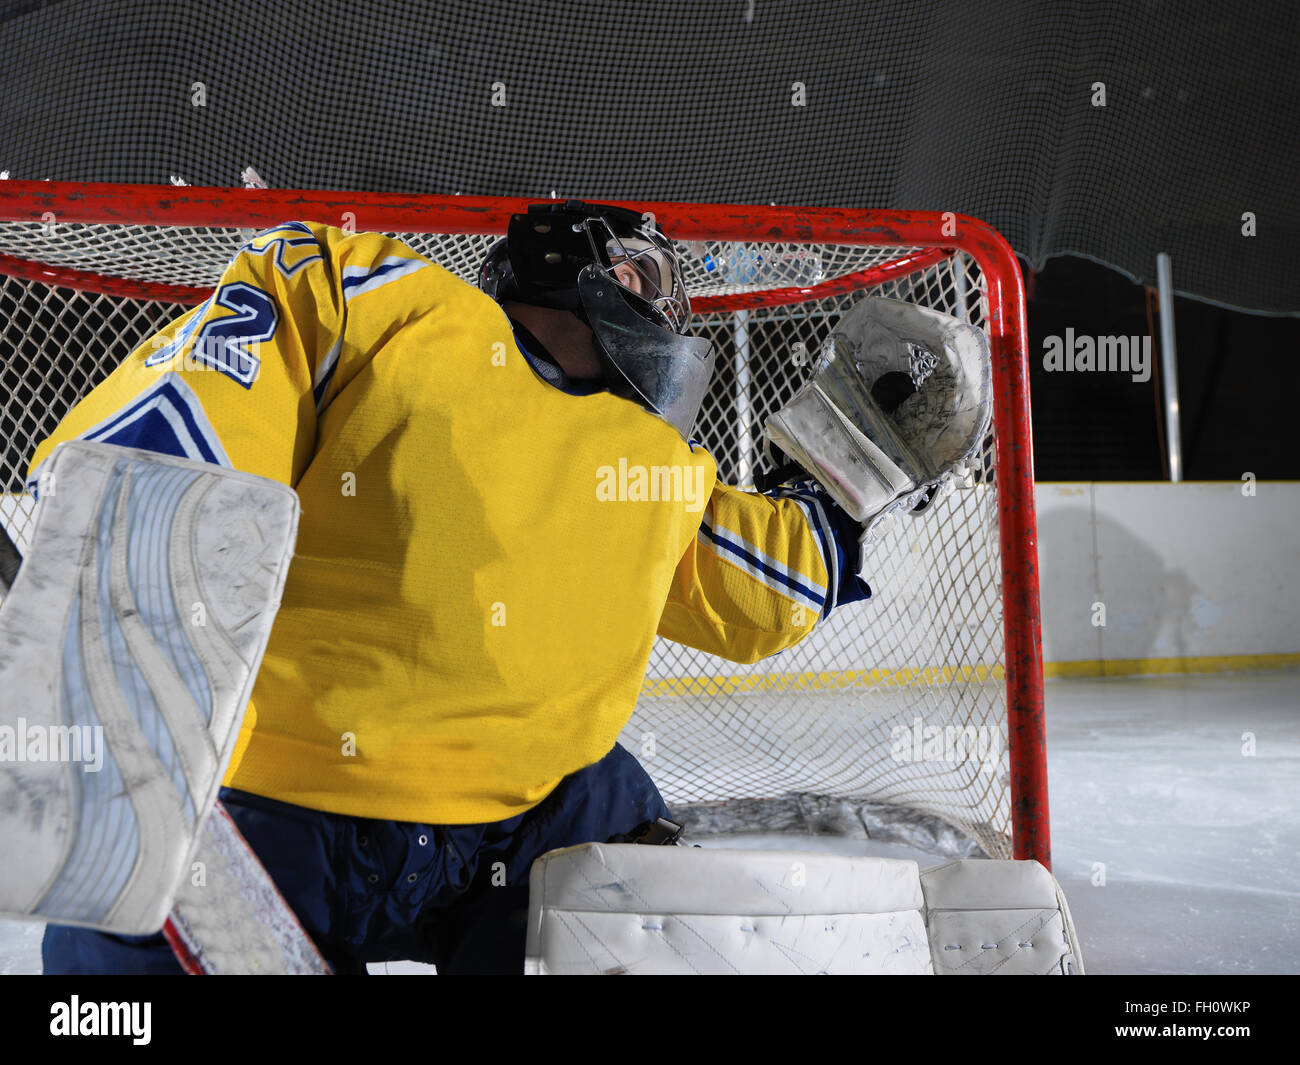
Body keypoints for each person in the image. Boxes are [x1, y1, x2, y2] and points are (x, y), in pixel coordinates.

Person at [35, 201, 871, 974]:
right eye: (646, 272)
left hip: (531, 821)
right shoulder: (397, 304)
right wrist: (122, 576)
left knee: (620, 811)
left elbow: (767, 592)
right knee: (123, 939)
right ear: (578, 262)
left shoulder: (658, 459)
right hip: (285, 815)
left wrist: (854, 467)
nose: (667, 309)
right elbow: (203, 402)